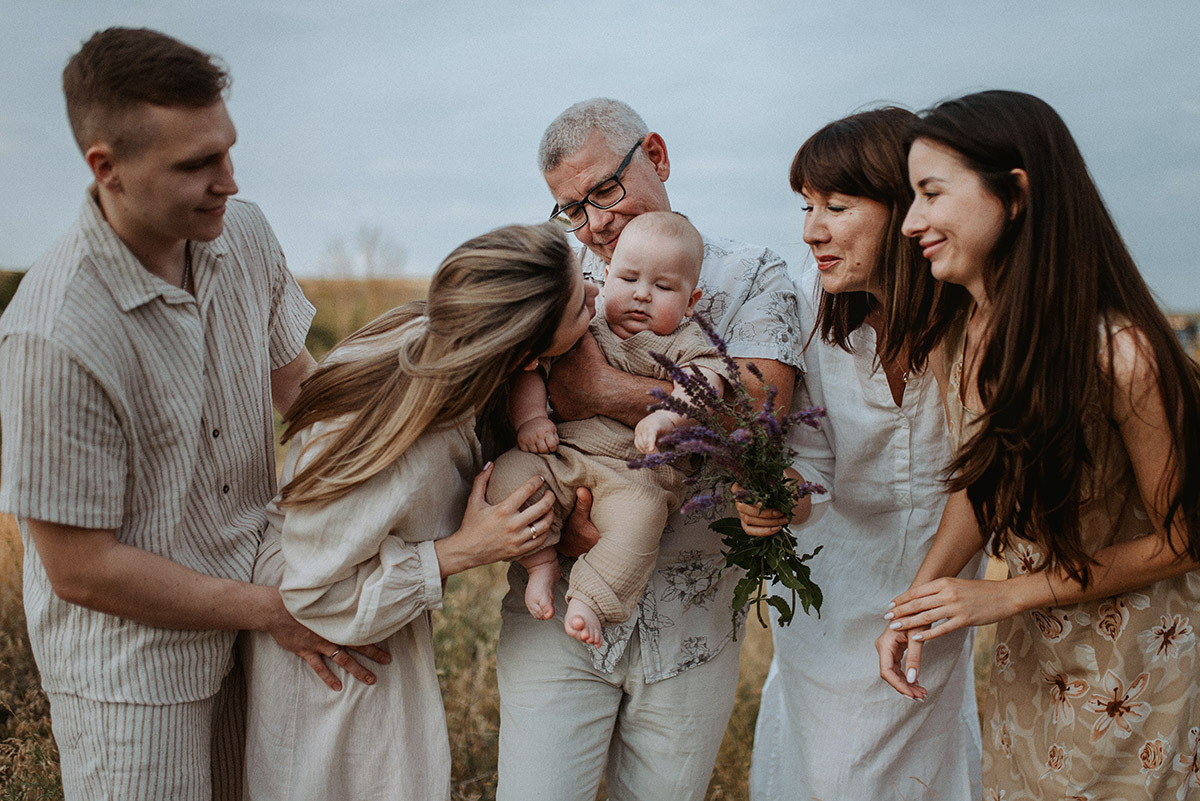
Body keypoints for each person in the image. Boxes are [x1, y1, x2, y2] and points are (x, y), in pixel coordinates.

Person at [0, 27, 389, 801]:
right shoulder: (53, 332)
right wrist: (270, 610)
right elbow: (80, 568)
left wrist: (428, 429)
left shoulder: (243, 235)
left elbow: (302, 392)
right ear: (105, 169)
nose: (229, 182)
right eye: (196, 165)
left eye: (227, 151)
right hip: (133, 673)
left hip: (258, 617)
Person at [880, 90, 1200, 800]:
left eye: (931, 193)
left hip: (1141, 670)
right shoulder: (963, 340)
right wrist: (921, 601)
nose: (911, 222)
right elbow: (978, 483)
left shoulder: (1122, 354)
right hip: (1035, 659)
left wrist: (1006, 592)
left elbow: (1185, 536)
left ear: (1016, 194)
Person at [495, 97, 801, 801]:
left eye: (605, 188)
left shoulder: (751, 274)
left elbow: (761, 415)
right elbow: (505, 406)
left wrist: (601, 391)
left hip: (692, 622)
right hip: (560, 601)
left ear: (656, 157)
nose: (596, 220)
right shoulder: (555, 283)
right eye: (573, 207)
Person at [242, 222, 592, 800]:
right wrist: (464, 551)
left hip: (375, 619)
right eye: (580, 306)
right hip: (335, 646)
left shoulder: (434, 339)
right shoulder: (403, 440)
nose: (596, 303)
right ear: (526, 352)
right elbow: (312, 594)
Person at [732, 107, 983, 800]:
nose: (812, 229)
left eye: (837, 206)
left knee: (924, 767)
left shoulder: (972, 314)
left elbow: (990, 470)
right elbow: (812, 464)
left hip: (938, 588)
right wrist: (779, 493)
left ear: (904, 208)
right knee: (827, 771)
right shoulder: (809, 309)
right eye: (807, 206)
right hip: (832, 593)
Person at [488, 211, 724, 647]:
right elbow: (532, 370)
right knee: (508, 474)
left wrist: (667, 415)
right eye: (629, 279)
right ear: (607, 274)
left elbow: (707, 386)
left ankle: (591, 600)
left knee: (641, 522)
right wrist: (533, 419)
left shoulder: (686, 340)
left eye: (664, 287)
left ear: (691, 302)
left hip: (636, 478)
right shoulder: (584, 324)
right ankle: (540, 562)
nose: (642, 296)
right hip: (565, 456)